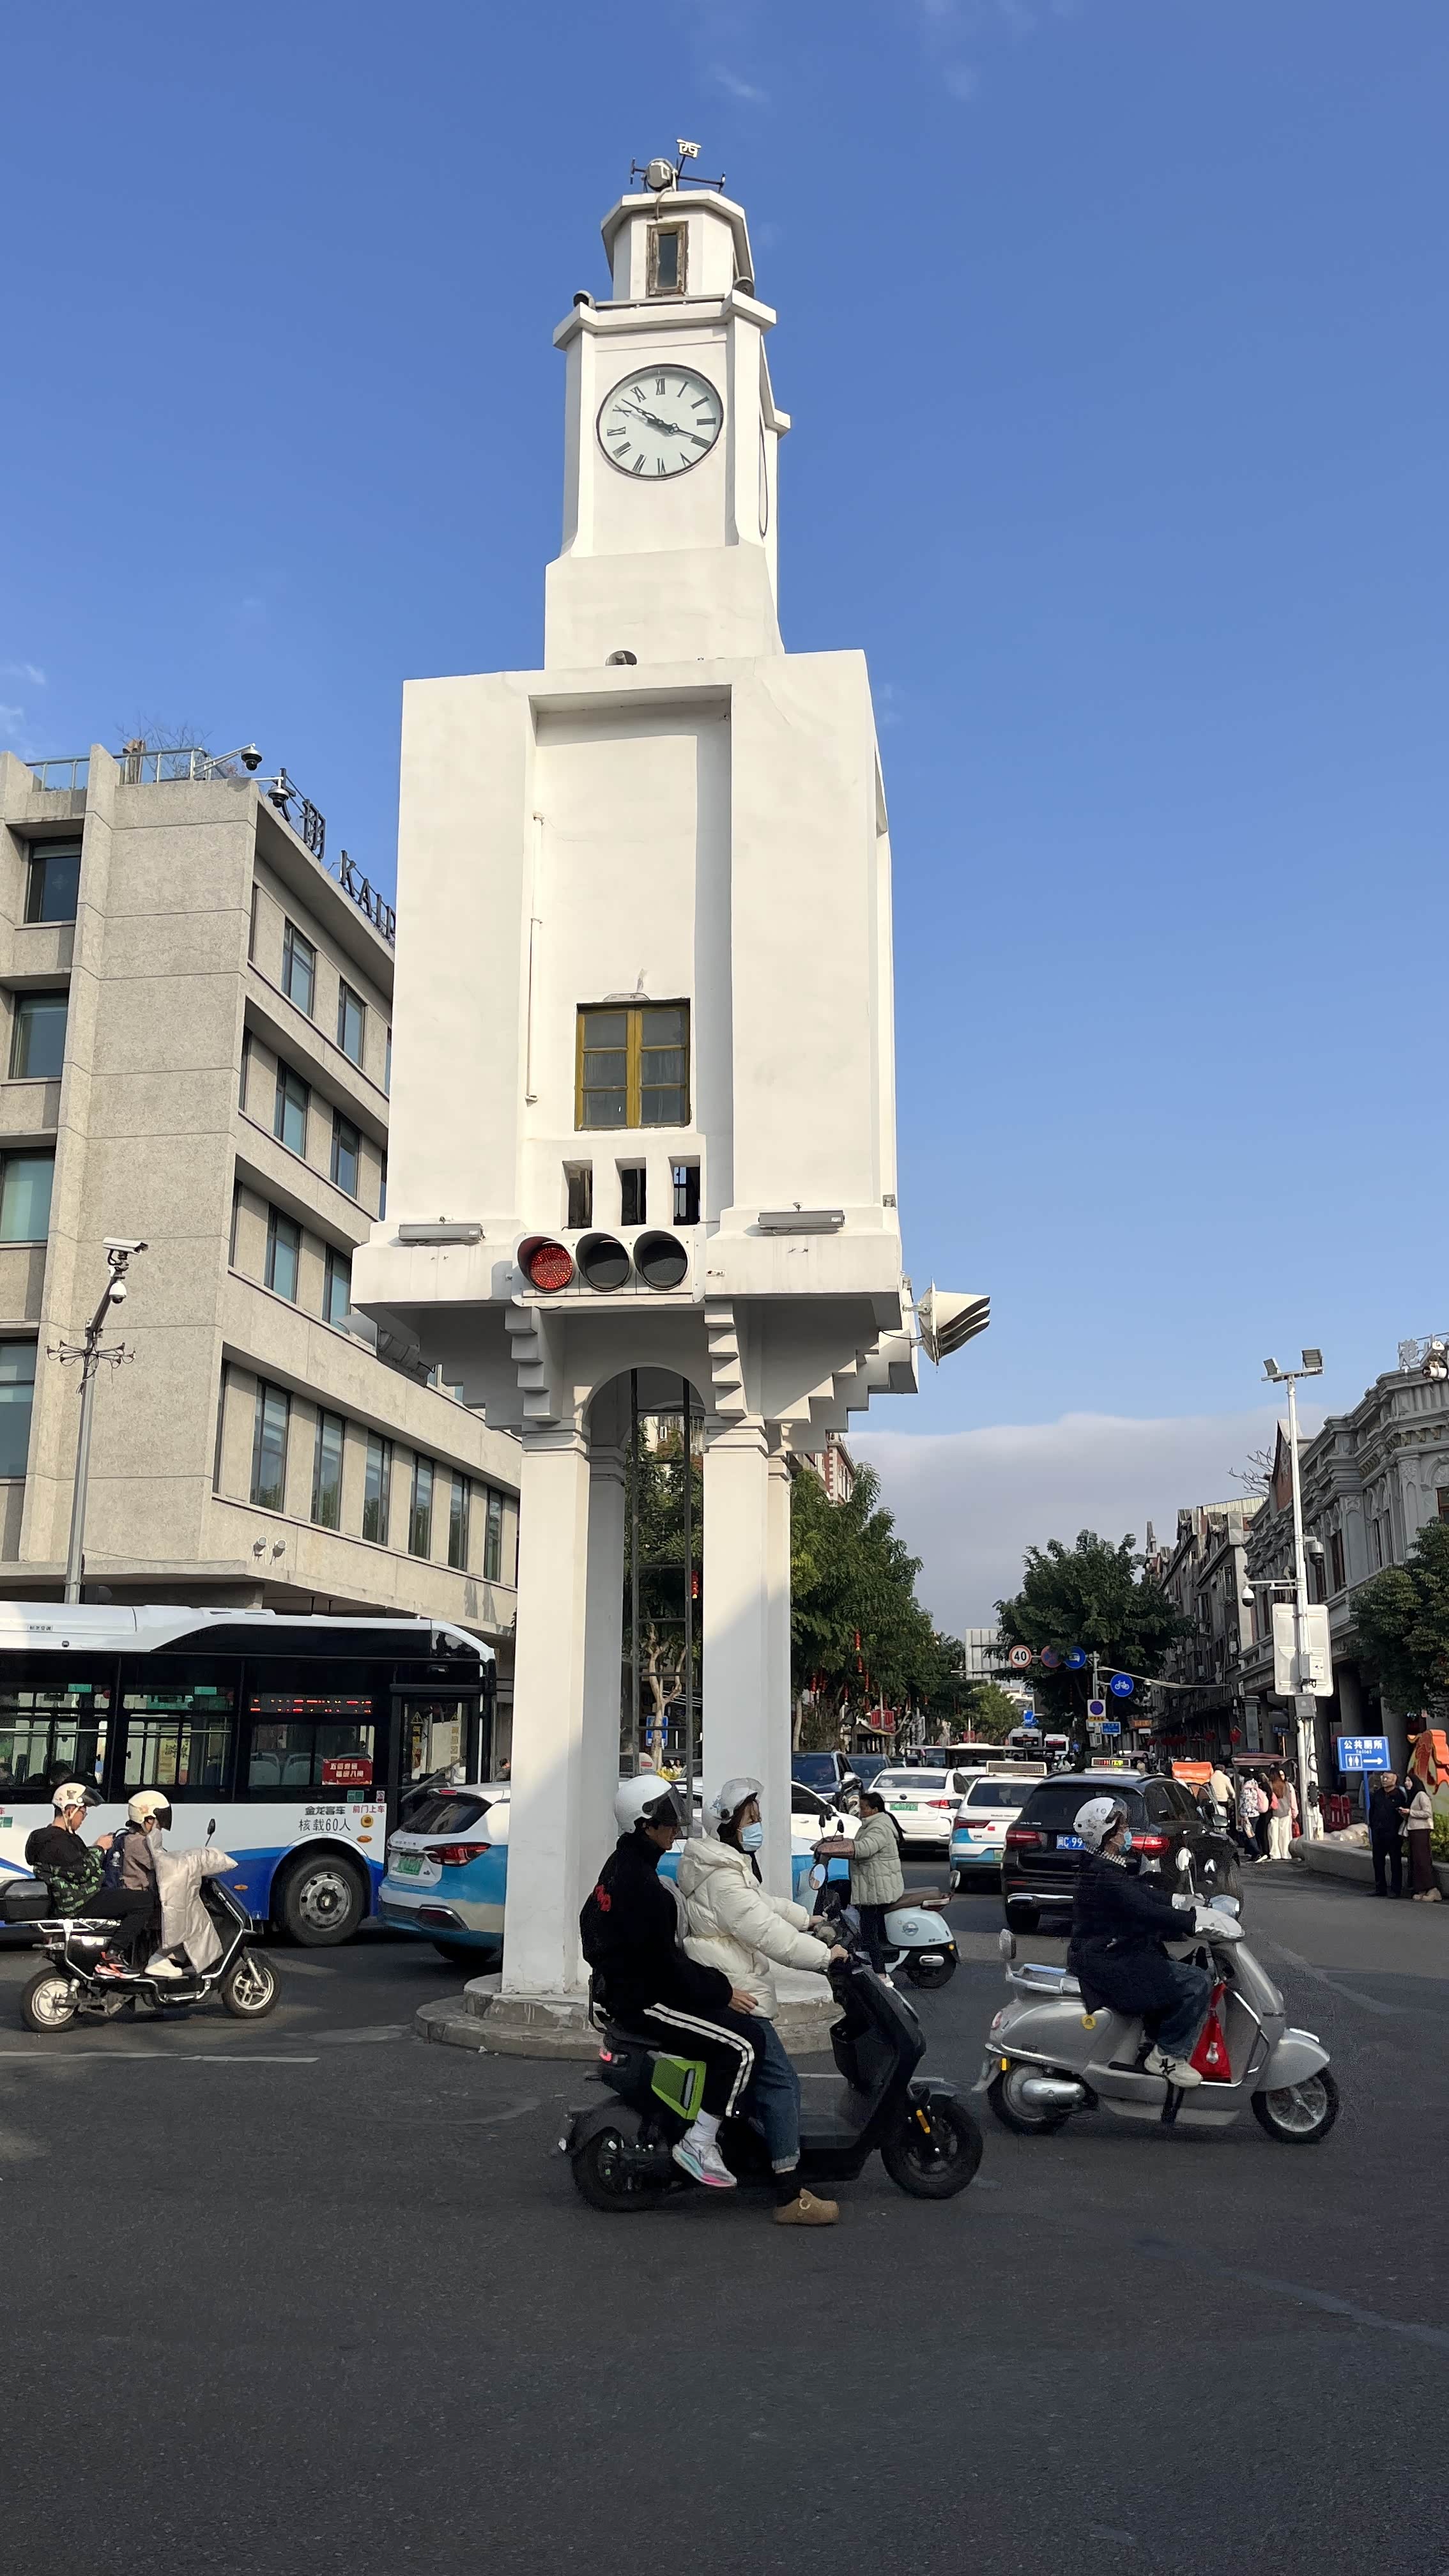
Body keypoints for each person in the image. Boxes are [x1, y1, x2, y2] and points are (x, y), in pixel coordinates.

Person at [579, 1775, 762, 2192]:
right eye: (667, 1819)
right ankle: (700, 2143)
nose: (674, 1828)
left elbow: (590, 1925)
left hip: (631, 1991)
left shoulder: (621, 1866)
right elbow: (665, 1967)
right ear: (644, 1825)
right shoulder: (641, 1884)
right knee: (744, 2044)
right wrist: (722, 1990)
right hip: (647, 2002)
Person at [677, 1777, 846, 2227]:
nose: (757, 1825)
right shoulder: (723, 1880)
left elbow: (765, 1905)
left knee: (763, 2084)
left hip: (735, 1978)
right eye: (749, 1818)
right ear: (728, 1825)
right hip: (738, 1990)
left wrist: (807, 1918)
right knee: (781, 2084)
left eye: (756, 1816)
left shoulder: (725, 1867)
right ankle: (789, 2193)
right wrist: (825, 1957)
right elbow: (766, 1933)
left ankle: (754, 2154)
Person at [1066, 1795, 1220, 2087]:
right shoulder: (1104, 1875)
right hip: (1108, 1959)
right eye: (1122, 1827)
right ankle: (1167, 2055)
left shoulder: (1104, 1866)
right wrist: (1193, 1922)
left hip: (1111, 1952)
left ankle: (1152, 2038)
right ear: (1108, 1835)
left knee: (1172, 1966)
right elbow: (1142, 1908)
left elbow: (1141, 1894)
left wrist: (1181, 1901)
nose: (1127, 1832)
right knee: (1196, 1982)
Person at [22, 1781, 155, 1972]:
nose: (83, 1818)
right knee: (145, 1901)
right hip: (80, 1901)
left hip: (75, 1898)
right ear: (69, 1810)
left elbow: (75, 1866)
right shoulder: (57, 1841)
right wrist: (100, 1847)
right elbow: (82, 1871)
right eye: (83, 1812)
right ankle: (114, 1954)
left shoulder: (49, 1838)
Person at [845, 1789, 905, 1982]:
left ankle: (881, 1973)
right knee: (872, 1929)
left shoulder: (879, 1827)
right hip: (874, 1884)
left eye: (863, 1807)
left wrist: (840, 1848)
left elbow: (865, 1848)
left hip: (876, 1888)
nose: (860, 1811)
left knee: (870, 1932)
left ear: (874, 1810)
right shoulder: (874, 1823)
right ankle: (869, 1961)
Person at [1368, 1772, 1409, 1898]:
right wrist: (1373, 1826)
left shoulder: (1400, 1795)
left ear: (1395, 1780)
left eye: (1388, 1778)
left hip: (1393, 1834)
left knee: (1395, 1862)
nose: (1384, 1780)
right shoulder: (1378, 1794)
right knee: (1378, 1861)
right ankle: (1380, 1888)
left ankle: (1396, 1889)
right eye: (1384, 1777)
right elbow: (1372, 1811)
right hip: (1378, 1832)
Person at [1406, 1779, 1441, 1901]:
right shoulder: (1412, 1796)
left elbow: (1427, 1813)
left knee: (1423, 1860)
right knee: (1416, 1861)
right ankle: (1421, 1889)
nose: (1406, 1783)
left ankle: (1432, 1890)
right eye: (1405, 1781)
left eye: (1409, 1780)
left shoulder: (1421, 1795)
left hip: (1422, 1830)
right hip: (1413, 1830)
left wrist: (1411, 1812)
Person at [1266, 1768, 1298, 1860]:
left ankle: (1275, 1854)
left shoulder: (1269, 1785)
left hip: (1273, 1812)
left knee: (1273, 1835)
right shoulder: (1288, 1785)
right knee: (1285, 1835)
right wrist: (1294, 1812)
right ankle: (1286, 1854)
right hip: (1286, 1812)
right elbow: (1293, 1800)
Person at [1238, 1769, 1268, 1861]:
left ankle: (1257, 1852)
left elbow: (1247, 1803)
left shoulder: (1247, 1788)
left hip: (1249, 1815)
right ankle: (1255, 1854)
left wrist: (1245, 1815)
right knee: (1252, 1834)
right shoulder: (1254, 1785)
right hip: (1255, 1814)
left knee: (1249, 1835)